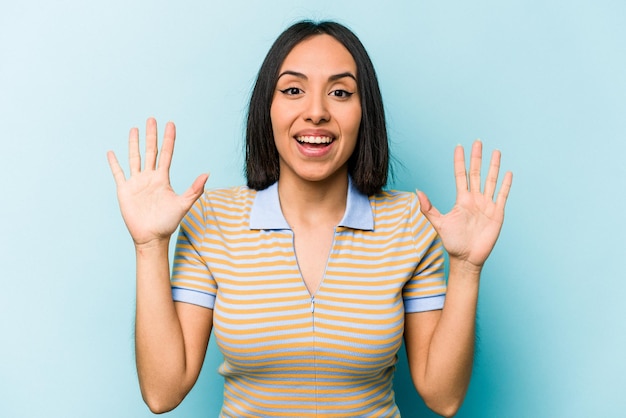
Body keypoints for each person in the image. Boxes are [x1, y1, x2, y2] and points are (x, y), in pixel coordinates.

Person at [107, 20, 512, 417]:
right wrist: (149, 246)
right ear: (268, 108)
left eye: (340, 92)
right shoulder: (211, 219)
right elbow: (163, 392)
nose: (315, 112)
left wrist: (466, 267)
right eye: (293, 90)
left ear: (363, 112)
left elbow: (443, 398)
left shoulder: (409, 222)